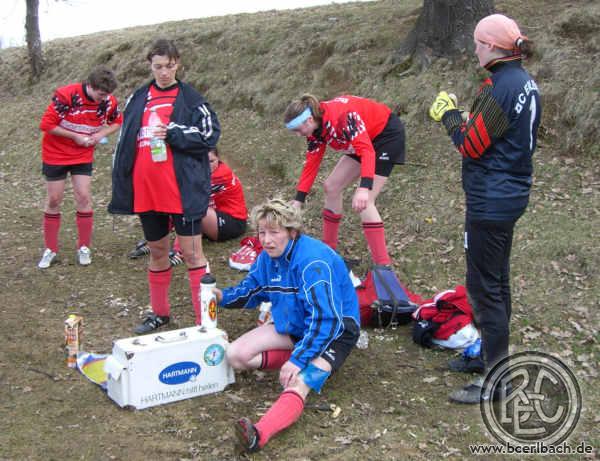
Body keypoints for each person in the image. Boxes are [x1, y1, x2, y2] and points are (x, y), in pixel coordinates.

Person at [429, 14, 541, 404]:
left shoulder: (501, 87)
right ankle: (490, 358)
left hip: (492, 199)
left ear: (492, 46)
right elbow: (496, 134)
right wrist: (465, 117)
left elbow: (470, 145)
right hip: (510, 192)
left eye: (478, 43)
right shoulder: (524, 80)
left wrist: (449, 116)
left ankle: (495, 379)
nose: (474, 49)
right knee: (497, 281)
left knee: (483, 288)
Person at [214, 198, 360, 453]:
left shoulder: (312, 262)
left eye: (274, 232)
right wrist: (222, 297)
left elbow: (325, 319)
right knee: (236, 355)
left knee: (300, 380)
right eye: (262, 233)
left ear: (292, 232)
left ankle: (258, 435)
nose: (267, 240)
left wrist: (298, 360)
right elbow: (252, 290)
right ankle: (302, 358)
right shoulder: (266, 258)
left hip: (335, 330)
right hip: (296, 323)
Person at [108, 38, 220, 334]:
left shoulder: (191, 98)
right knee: (158, 252)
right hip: (147, 189)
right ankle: (160, 313)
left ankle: (204, 322)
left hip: (182, 190)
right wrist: (122, 179)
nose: (164, 72)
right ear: (150, 65)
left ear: (177, 64)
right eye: (158, 66)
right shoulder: (138, 97)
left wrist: (173, 132)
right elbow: (124, 141)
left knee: (192, 254)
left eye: (169, 66)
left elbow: (210, 135)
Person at [284, 94, 405, 267]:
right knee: (331, 187)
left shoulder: (343, 117)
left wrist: (364, 188)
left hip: (385, 136)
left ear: (309, 120)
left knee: (366, 202)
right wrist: (298, 200)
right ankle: (330, 253)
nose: (298, 135)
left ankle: (383, 267)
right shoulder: (315, 129)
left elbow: (367, 151)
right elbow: (311, 163)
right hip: (362, 139)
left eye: (297, 130)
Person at [38, 66, 122, 268]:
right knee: (54, 199)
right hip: (55, 153)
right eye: (100, 94)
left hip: (82, 154)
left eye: (107, 95)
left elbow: (117, 121)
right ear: (89, 86)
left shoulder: (108, 101)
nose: (104, 99)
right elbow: (46, 124)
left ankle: (84, 247)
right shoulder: (67, 96)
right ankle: (50, 249)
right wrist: (75, 136)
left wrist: (100, 135)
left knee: (83, 196)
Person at [128, 147, 248, 262]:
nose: (207, 165)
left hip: (233, 223)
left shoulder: (220, 175)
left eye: (211, 161)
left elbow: (186, 199)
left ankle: (179, 250)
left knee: (190, 207)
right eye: (202, 161)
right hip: (214, 219)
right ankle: (157, 240)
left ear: (218, 159)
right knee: (173, 203)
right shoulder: (199, 173)